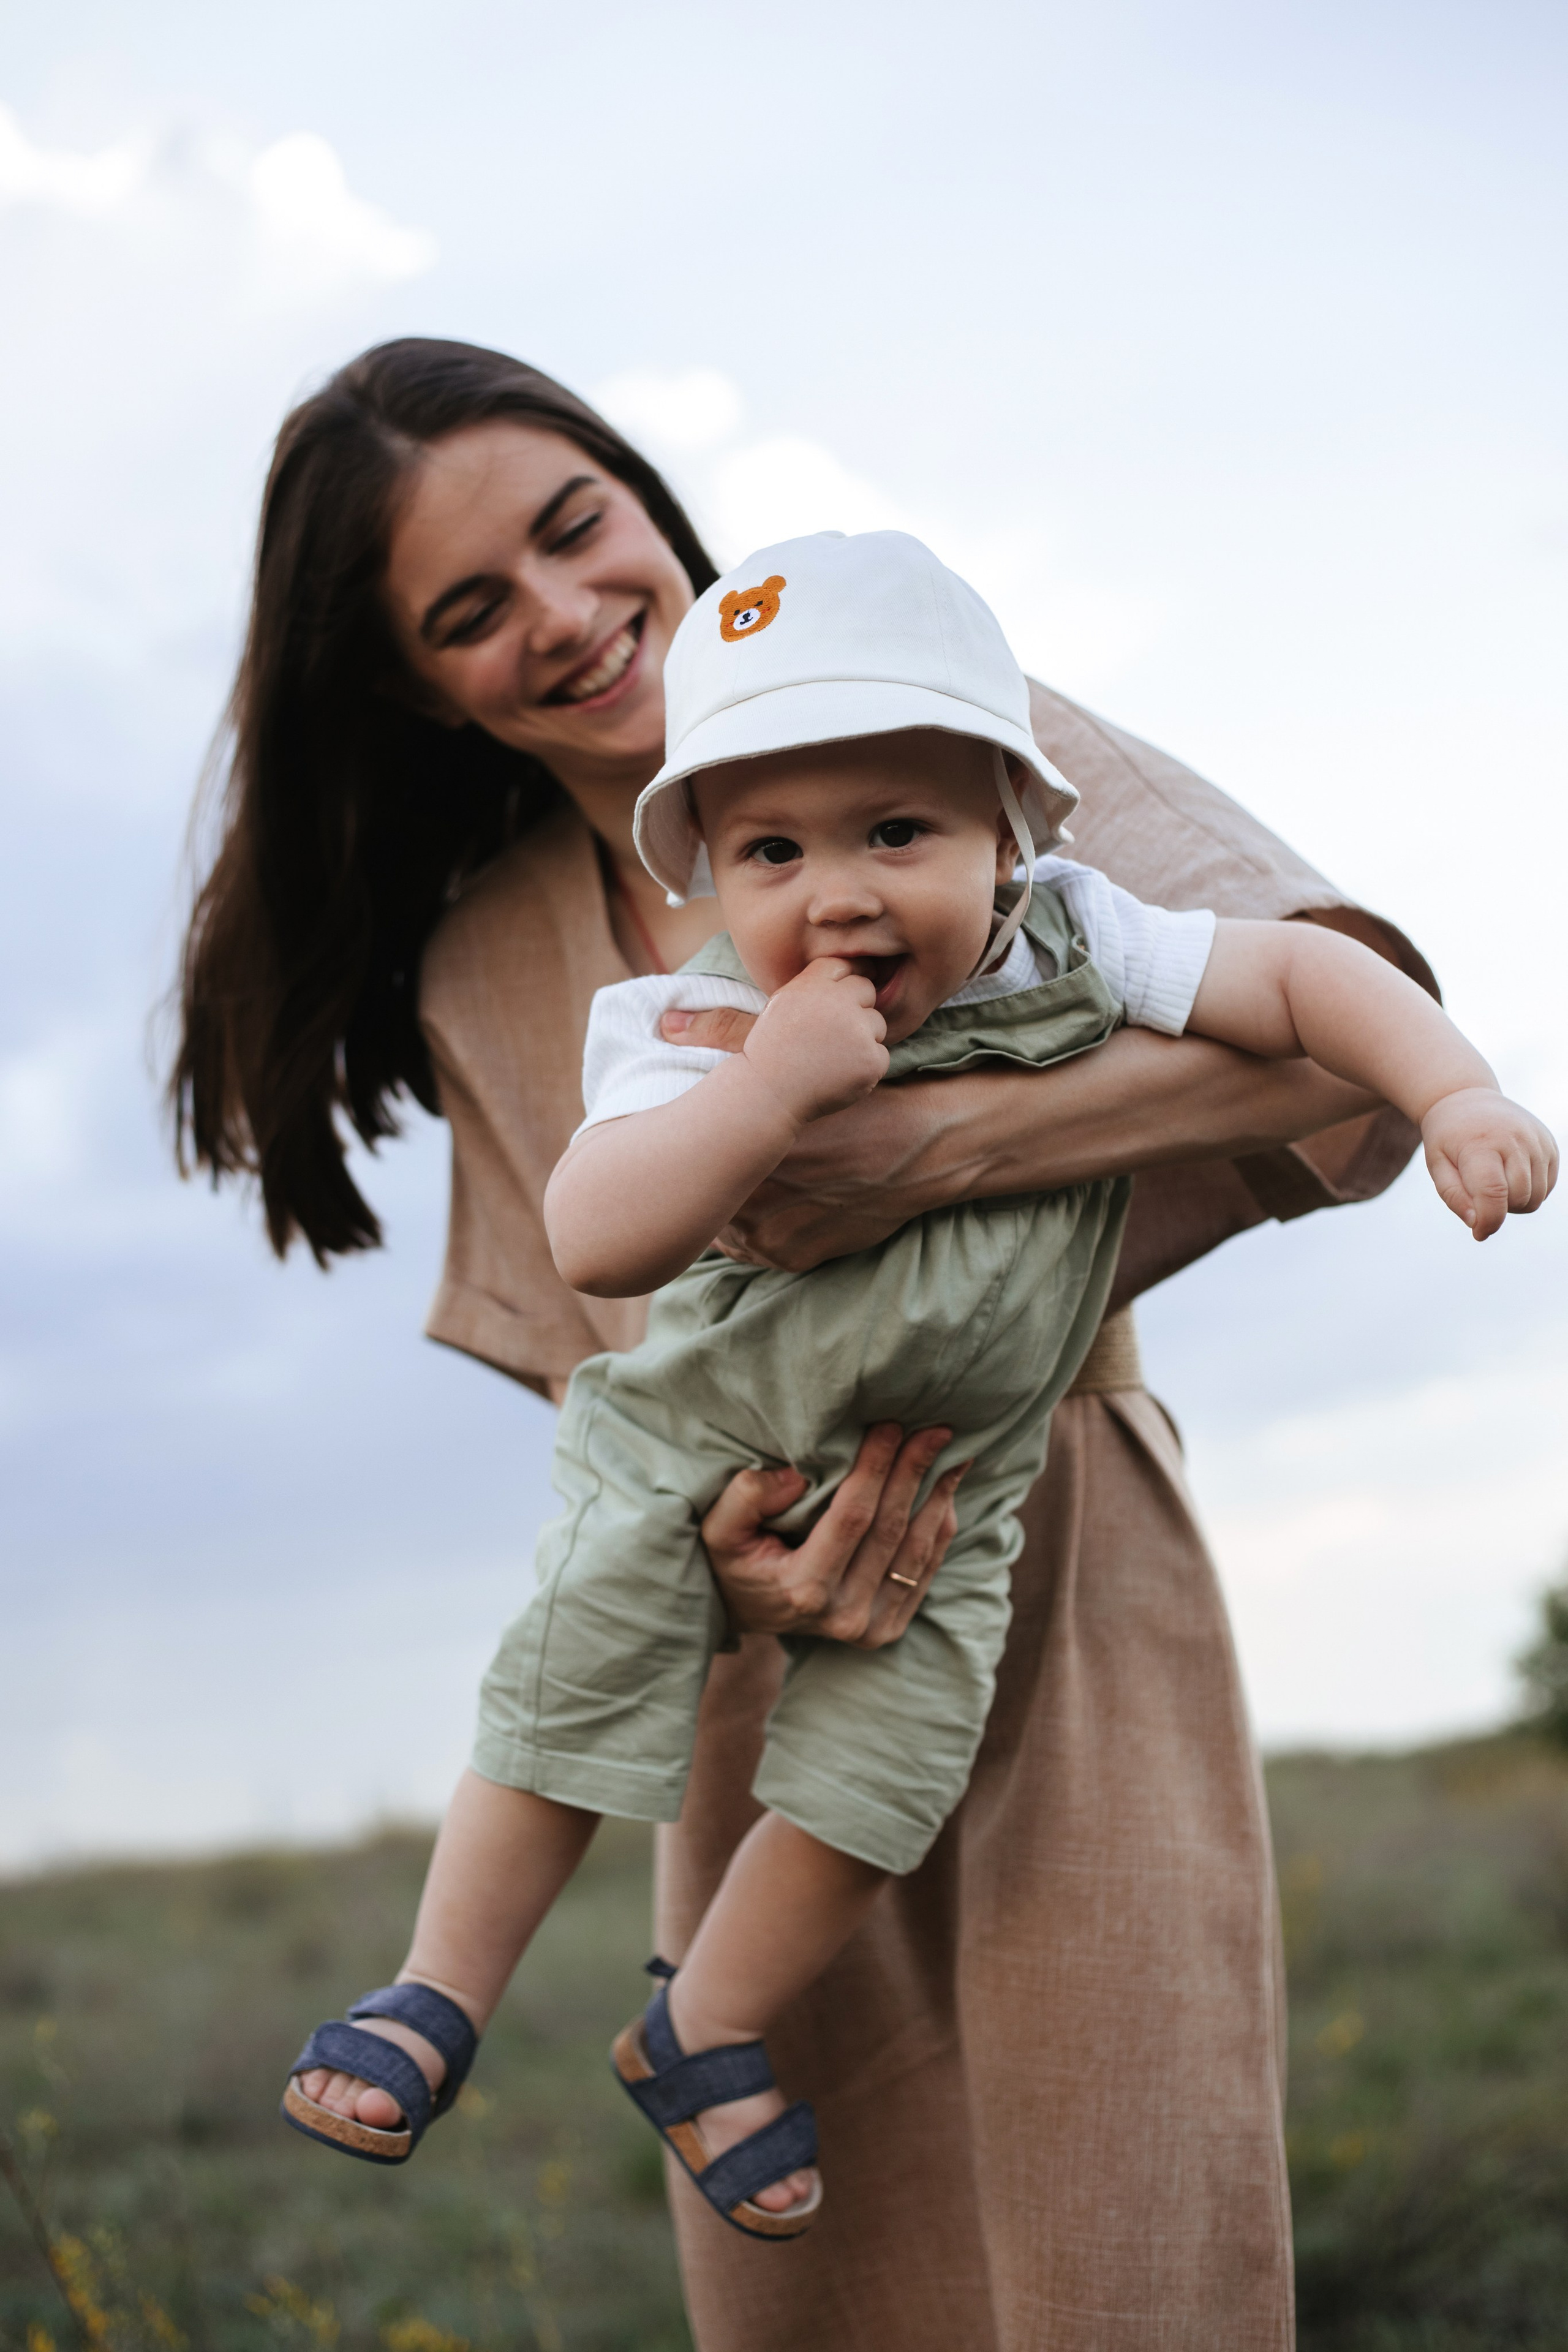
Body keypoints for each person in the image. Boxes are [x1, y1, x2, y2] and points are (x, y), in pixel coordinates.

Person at [173, 339, 1450, 2346]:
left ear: (646, 498)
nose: (566, 614)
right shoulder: (487, 961)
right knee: (835, 2270)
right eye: (471, 611)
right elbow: (600, 1356)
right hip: (740, 1608)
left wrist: (937, 1147)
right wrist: (736, 1560)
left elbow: (1340, 1023)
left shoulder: (949, 726)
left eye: (576, 527)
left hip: (1036, 1533)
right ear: (414, 687)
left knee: (1127, 2209)